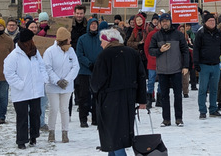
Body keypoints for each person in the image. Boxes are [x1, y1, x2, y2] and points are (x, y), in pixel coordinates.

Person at [90, 28, 147, 156]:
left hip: (109, 100)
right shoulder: (132, 53)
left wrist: (95, 91)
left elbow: (96, 82)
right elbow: (141, 77)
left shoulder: (104, 55)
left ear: (109, 41)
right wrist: (142, 99)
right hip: (128, 100)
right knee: (120, 133)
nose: (101, 44)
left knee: (113, 135)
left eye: (102, 41)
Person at [4, 28, 46, 149]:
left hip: (35, 90)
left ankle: (33, 136)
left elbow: (42, 66)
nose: (32, 42)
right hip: (21, 92)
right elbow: (9, 73)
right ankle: (21, 140)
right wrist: (20, 84)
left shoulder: (35, 52)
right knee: (22, 117)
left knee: (35, 114)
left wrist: (43, 79)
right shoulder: (14, 56)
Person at [149, 12, 190, 125]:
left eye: (167, 21)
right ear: (160, 23)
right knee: (164, 96)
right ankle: (166, 119)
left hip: (176, 69)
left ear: (170, 22)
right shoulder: (156, 36)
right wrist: (159, 50)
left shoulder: (178, 35)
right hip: (162, 70)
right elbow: (150, 50)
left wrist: (185, 65)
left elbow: (185, 51)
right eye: (163, 21)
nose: (165, 23)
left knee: (178, 96)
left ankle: (179, 118)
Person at [43, 27, 80, 143]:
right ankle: (51, 132)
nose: (70, 40)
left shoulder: (71, 51)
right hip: (53, 86)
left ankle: (65, 132)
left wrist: (67, 80)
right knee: (53, 109)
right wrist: (57, 80)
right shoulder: (50, 51)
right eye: (68, 38)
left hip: (67, 86)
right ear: (63, 40)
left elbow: (75, 67)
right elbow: (47, 68)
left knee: (64, 109)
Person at [192, 13, 221, 118]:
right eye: (210, 21)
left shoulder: (218, 33)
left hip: (216, 64)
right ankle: (202, 110)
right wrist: (196, 63)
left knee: (214, 88)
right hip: (204, 65)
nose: (212, 22)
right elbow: (196, 50)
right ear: (205, 22)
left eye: (213, 20)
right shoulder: (201, 33)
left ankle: (213, 109)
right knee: (203, 89)